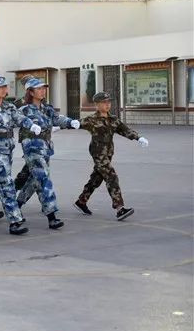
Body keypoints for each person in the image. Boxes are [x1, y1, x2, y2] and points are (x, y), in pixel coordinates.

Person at [0, 75, 42, 235]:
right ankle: (15, 220)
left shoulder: (9, 107)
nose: (4, 89)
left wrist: (31, 125)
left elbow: (20, 118)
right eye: (0, 87)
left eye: (5, 86)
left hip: (7, 149)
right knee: (6, 183)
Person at [16, 78, 80, 229]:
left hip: (45, 148)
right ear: (31, 92)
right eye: (38, 89)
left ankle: (15, 205)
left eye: (43, 88)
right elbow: (15, 120)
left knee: (34, 181)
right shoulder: (24, 110)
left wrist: (70, 122)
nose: (42, 91)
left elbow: (57, 119)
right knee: (44, 180)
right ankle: (52, 216)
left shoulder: (46, 108)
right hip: (32, 149)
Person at [74, 92, 148, 220]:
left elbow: (125, 130)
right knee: (111, 176)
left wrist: (138, 138)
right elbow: (75, 124)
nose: (107, 104)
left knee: (96, 179)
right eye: (104, 102)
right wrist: (58, 125)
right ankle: (120, 208)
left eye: (108, 102)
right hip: (98, 154)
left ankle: (81, 201)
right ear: (97, 104)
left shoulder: (113, 119)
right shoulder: (92, 120)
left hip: (108, 153)